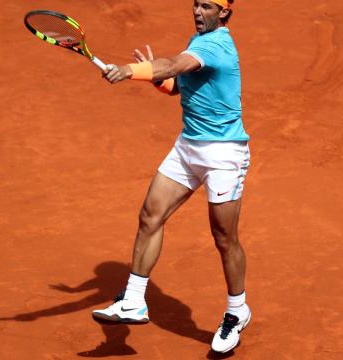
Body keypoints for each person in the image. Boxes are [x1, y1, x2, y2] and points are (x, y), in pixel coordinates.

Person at [93, 0, 251, 354]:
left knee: (224, 238)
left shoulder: (215, 44)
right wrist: (157, 79)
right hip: (188, 147)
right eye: (195, 4)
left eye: (207, 7)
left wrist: (132, 70)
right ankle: (134, 299)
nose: (197, 12)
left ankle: (237, 311)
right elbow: (178, 84)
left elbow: (170, 66)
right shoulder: (199, 41)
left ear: (224, 13)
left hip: (224, 154)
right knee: (151, 215)